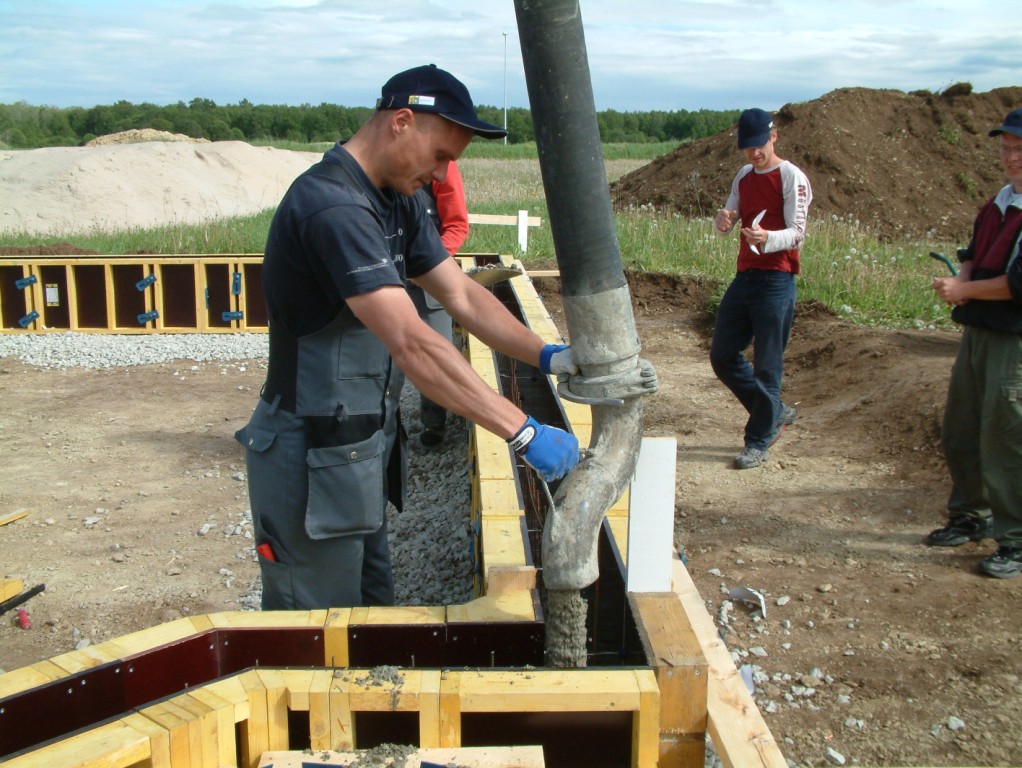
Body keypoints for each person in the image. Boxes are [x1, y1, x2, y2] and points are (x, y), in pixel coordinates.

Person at [235, 64, 579, 610]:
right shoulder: (333, 206)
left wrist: (546, 355)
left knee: (370, 613)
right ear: (401, 122)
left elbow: (461, 295)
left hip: (355, 449)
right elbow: (411, 342)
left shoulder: (398, 198)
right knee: (316, 628)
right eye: (441, 155)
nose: (445, 177)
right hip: (307, 455)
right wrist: (523, 431)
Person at [926, 107, 1022, 579]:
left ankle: (1017, 539)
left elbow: (1017, 283)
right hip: (979, 332)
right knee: (961, 427)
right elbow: (973, 256)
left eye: (1020, 149)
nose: (1012, 157)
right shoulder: (998, 204)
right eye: (1006, 149)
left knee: (1006, 436)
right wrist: (960, 279)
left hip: (1015, 339)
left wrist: (962, 290)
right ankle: (969, 515)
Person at [710, 108, 812, 469]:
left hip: (777, 279)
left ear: (774, 137)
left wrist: (768, 238)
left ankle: (759, 439)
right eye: (748, 148)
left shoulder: (791, 177)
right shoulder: (743, 176)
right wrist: (722, 219)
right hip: (746, 276)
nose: (755, 154)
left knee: (768, 366)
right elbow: (730, 215)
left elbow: (797, 232)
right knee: (722, 354)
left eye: (759, 146)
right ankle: (774, 413)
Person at [407, 159, 469, 447]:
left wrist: (430, 265)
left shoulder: (442, 165)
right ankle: (382, 429)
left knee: (435, 352)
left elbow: (456, 225)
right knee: (382, 357)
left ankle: (433, 425)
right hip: (387, 274)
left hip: (429, 277)